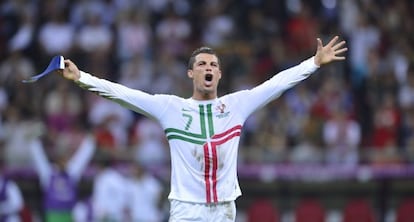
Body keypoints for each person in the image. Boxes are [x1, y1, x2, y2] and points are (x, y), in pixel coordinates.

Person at [58, 36, 347, 221]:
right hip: (186, 209)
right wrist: (81, 77)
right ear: (191, 73)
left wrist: (313, 62)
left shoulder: (237, 105)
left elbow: (276, 84)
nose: (208, 67)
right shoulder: (170, 108)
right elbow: (123, 94)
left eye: (213, 64)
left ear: (219, 74)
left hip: (224, 208)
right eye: (202, 63)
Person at [29, 134, 96, 222]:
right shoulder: (48, 174)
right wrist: (34, 143)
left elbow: (81, 159)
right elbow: (39, 158)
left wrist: (90, 143)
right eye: (61, 160)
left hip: (69, 212)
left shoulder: (71, 173)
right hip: (53, 213)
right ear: (57, 161)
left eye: (65, 160)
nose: (64, 163)